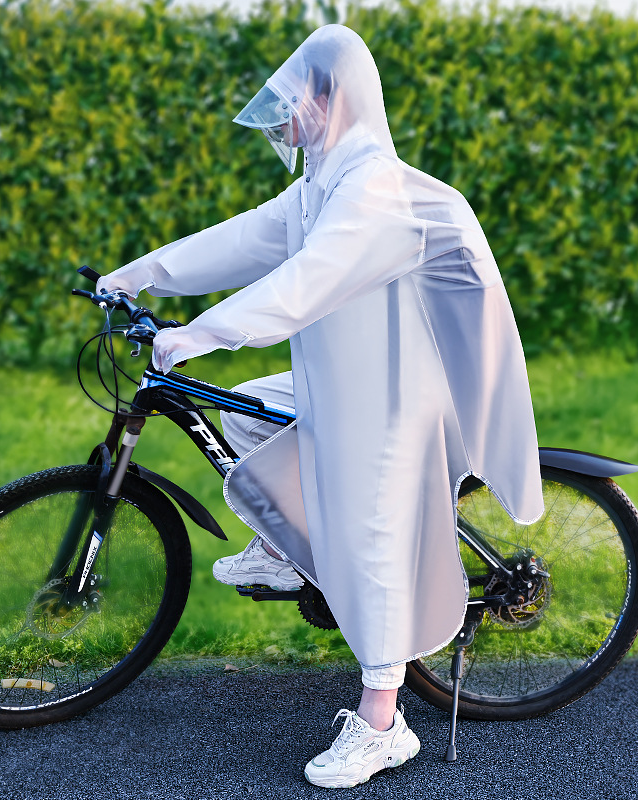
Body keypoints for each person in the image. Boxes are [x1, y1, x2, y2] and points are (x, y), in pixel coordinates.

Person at [97, 24, 544, 789]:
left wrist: (200, 333)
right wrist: (137, 275)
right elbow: (243, 241)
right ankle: (285, 545)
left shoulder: (376, 191)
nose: (282, 117)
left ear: (334, 98)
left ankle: (382, 722)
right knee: (237, 409)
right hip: (346, 377)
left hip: (402, 396)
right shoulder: (322, 181)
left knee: (370, 538)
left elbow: (304, 286)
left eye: (292, 99)